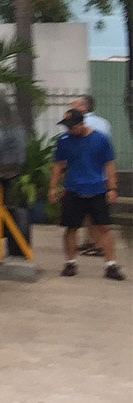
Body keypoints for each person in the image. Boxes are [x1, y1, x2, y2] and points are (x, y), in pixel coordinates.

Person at [48, 108, 124, 280]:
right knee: (71, 228)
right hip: (73, 190)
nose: (70, 130)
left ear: (82, 124)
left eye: (73, 126)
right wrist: (53, 187)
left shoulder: (100, 139)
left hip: (97, 190)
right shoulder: (64, 140)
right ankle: (70, 263)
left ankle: (110, 265)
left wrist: (112, 188)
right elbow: (58, 165)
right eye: (67, 127)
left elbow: (109, 165)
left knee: (103, 228)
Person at [69, 94, 114, 256]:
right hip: (102, 174)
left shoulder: (81, 124)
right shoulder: (104, 123)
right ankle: (90, 242)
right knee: (94, 213)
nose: (70, 108)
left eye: (73, 104)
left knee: (92, 214)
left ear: (83, 107)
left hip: (85, 175)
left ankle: (97, 245)